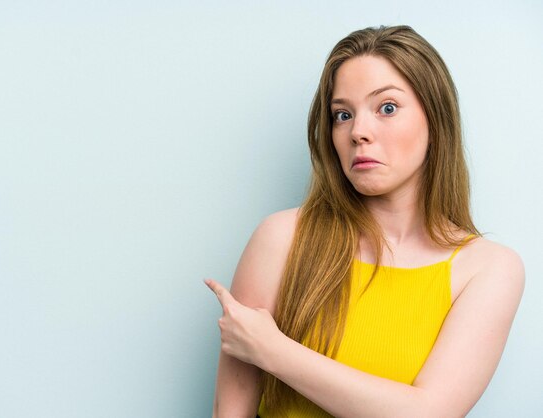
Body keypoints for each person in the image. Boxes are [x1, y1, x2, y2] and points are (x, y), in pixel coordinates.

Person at [204, 24, 525, 418]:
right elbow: (229, 411)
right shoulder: (281, 239)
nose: (358, 132)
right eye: (342, 114)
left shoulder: (489, 268)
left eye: (386, 108)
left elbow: (429, 413)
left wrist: (273, 351)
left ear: (435, 119)